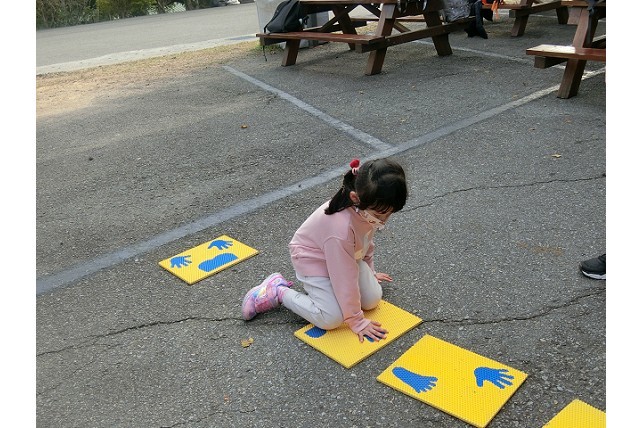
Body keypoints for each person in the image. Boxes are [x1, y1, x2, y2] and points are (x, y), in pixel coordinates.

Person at [241, 158, 408, 343]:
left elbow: (366, 242)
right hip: (313, 260)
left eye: (389, 214)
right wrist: (356, 320)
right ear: (355, 198)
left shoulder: (366, 208)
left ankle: (339, 296)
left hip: (343, 256)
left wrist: (371, 271)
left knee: (372, 299)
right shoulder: (341, 229)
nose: (383, 221)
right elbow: (344, 277)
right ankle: (277, 291)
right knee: (331, 318)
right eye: (379, 215)